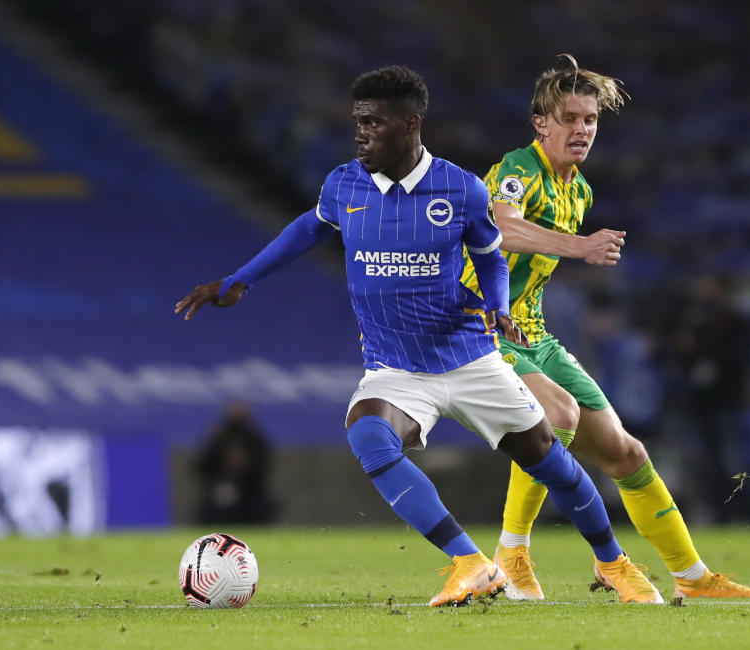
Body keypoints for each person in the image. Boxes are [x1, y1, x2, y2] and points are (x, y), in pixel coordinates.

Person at [176, 65, 663, 606]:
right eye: (357, 123)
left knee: (550, 459)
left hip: (470, 358)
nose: (360, 134)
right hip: (399, 370)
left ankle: (614, 562)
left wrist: (499, 308)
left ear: (410, 125)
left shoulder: (461, 188)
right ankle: (469, 563)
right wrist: (240, 278)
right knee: (368, 436)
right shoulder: (344, 184)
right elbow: (305, 229)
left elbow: (492, 256)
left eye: (373, 124)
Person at [461, 54, 750, 600]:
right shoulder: (517, 169)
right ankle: (512, 553)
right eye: (571, 118)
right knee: (554, 418)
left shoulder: (578, 189)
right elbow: (501, 230)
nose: (582, 130)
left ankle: (694, 580)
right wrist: (579, 247)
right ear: (541, 123)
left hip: (531, 331)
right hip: (477, 327)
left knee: (627, 454)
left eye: (591, 121)